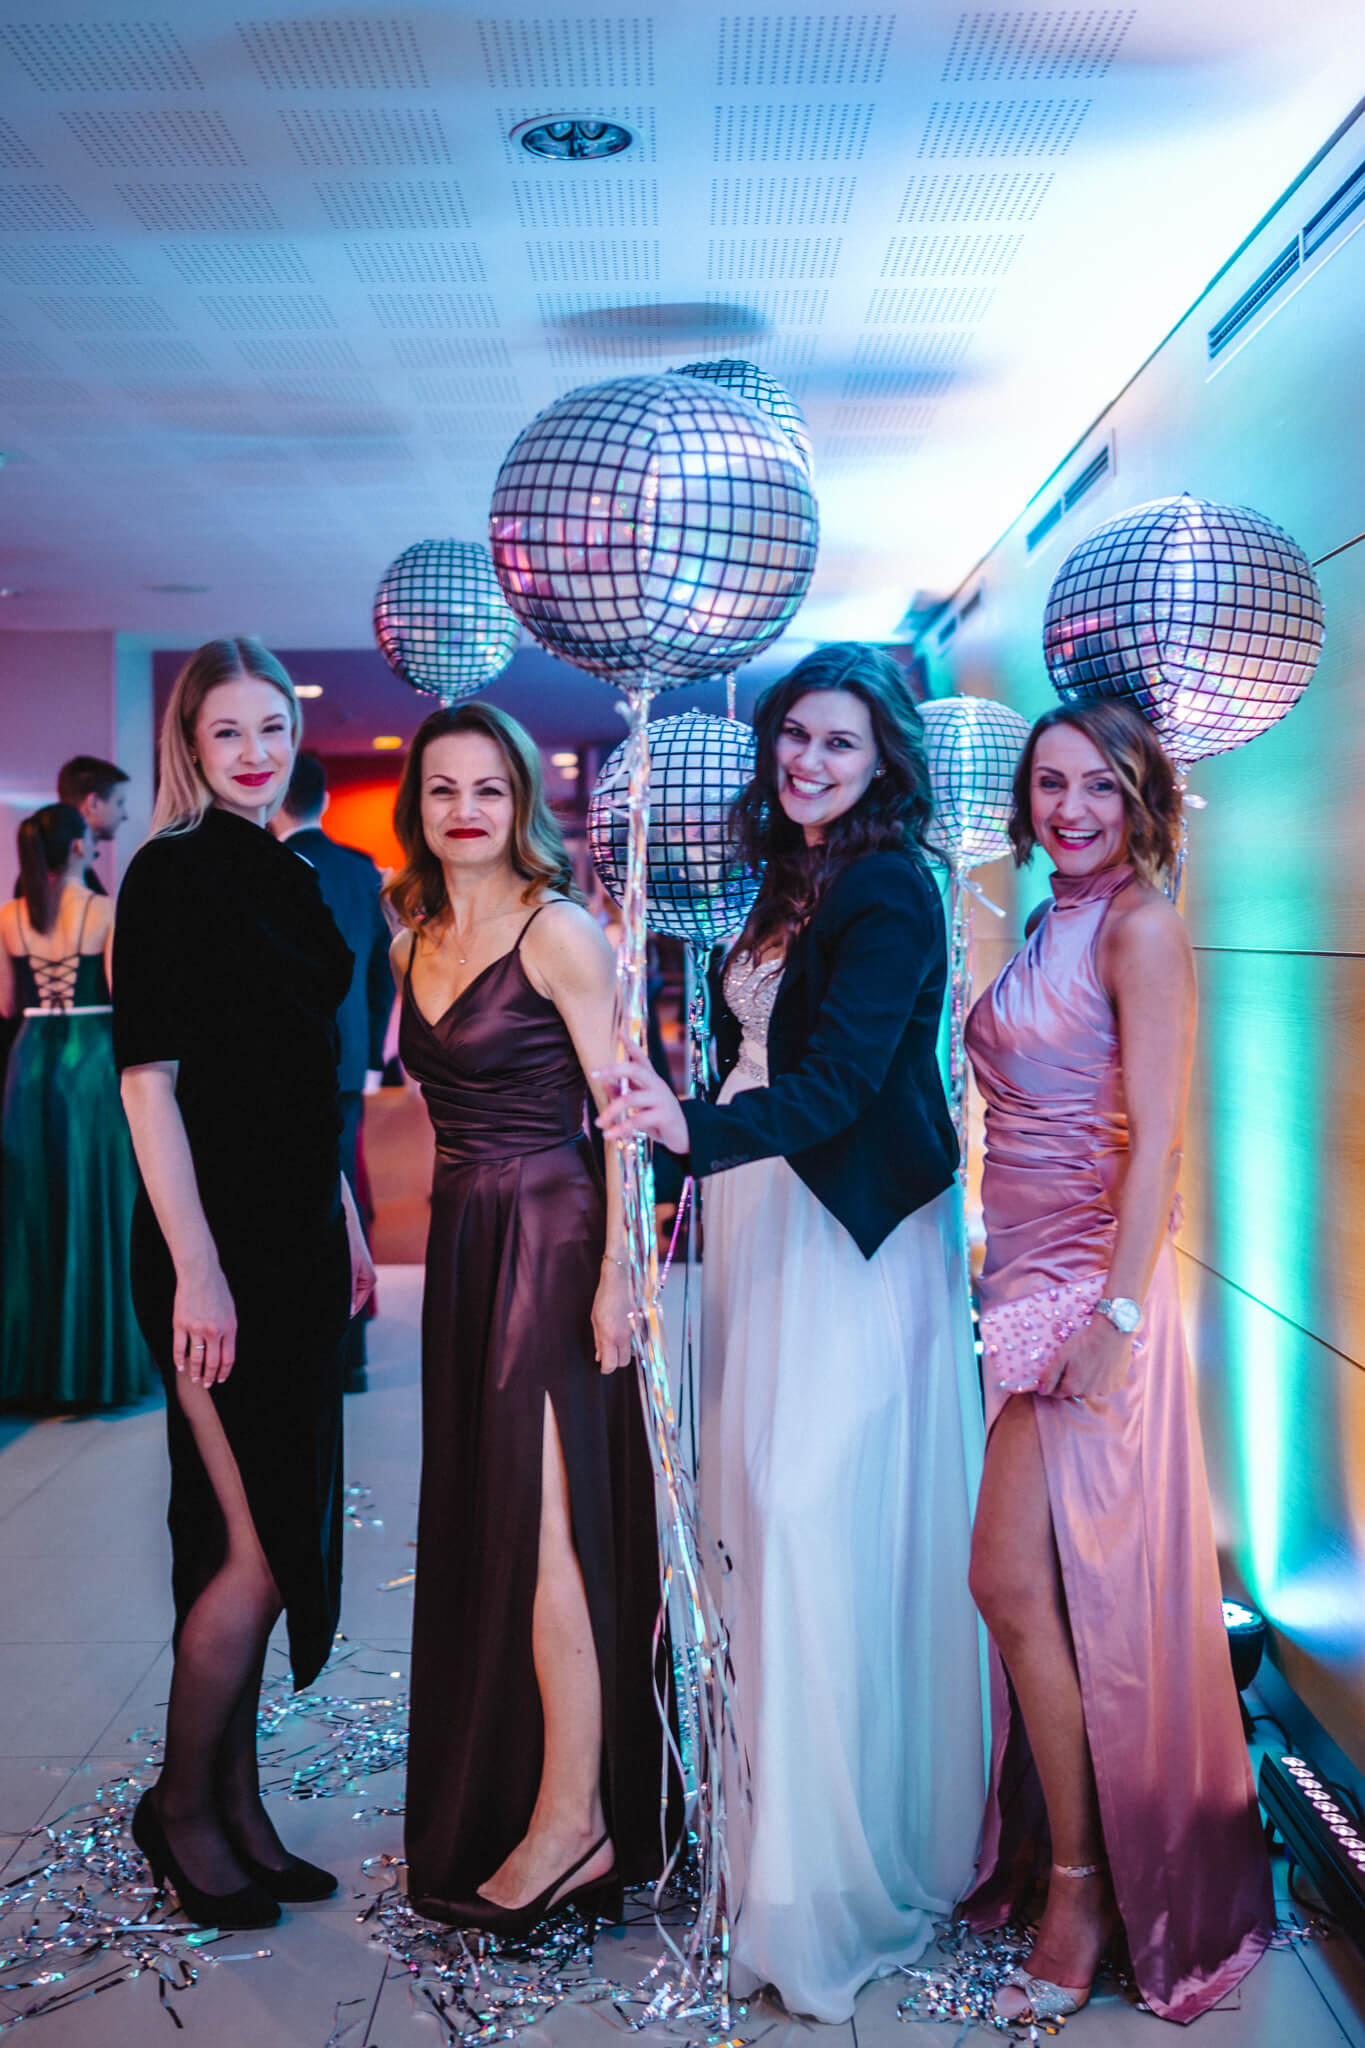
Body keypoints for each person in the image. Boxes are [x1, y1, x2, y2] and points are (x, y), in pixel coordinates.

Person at [597, 643, 987, 2020]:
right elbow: (756, 1050)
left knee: (808, 1511)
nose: (809, 762)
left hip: (850, 1229)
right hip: (763, 1210)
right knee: (753, 1525)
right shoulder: (790, 875)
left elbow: (841, 1083)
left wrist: (689, 1129)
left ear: (883, 760)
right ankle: (768, 1854)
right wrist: (688, 1119)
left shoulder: (890, 885)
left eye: (839, 743)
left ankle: (830, 1880)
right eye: (795, 738)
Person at [961, 701, 1272, 2024]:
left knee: (1027, 1584)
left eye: (1099, 785)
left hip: (1092, 1291)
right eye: (1050, 784)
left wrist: (1121, 1314)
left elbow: (1160, 1139)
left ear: (1140, 798)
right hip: (1023, 1280)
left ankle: (1088, 1889)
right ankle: (1069, 1861)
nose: (1071, 808)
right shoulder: (1051, 917)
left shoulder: (1141, 926)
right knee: (1039, 1592)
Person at [113, 637, 374, 1933]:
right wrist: (199, 1270)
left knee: (260, 1538)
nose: (257, 752)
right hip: (211, 1249)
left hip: (300, 1235)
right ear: (190, 744)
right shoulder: (167, 871)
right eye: (229, 732)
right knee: (259, 1549)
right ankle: (179, 1807)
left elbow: (304, 1071)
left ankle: (236, 1801)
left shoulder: (293, 870)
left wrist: (347, 1217)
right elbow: (149, 1085)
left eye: (273, 727)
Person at [392, 702, 663, 1934]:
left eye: (488, 789)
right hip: (466, 1236)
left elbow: (624, 1117)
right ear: (419, 806)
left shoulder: (560, 931)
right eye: (443, 789)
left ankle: (577, 1816)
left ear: (521, 804)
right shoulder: (413, 936)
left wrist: (619, 1272)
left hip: (552, 1234)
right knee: (492, 1517)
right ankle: (527, 1789)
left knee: (553, 1522)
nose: (465, 811)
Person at [0, 804, 155, 1407]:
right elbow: (124, 994)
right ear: (74, 848)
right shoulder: (103, 910)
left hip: (31, 1060)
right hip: (89, 1058)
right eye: (89, 838)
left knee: (31, 1207)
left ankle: (32, 1371)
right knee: (96, 1201)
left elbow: (7, 1004)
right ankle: (94, 1369)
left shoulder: (9, 916)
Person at [273, 751, 392, 1392]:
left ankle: (304, 1347)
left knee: (290, 1201)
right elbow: (381, 973)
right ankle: (351, 1355)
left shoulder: (266, 867)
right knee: (347, 1199)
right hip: (346, 1066)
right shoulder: (360, 869)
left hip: (278, 1065)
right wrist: (371, 1059)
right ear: (323, 800)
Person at [57, 756, 130, 894]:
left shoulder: (46, 872)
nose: (125, 815)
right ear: (93, 803)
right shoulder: (64, 878)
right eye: (119, 803)